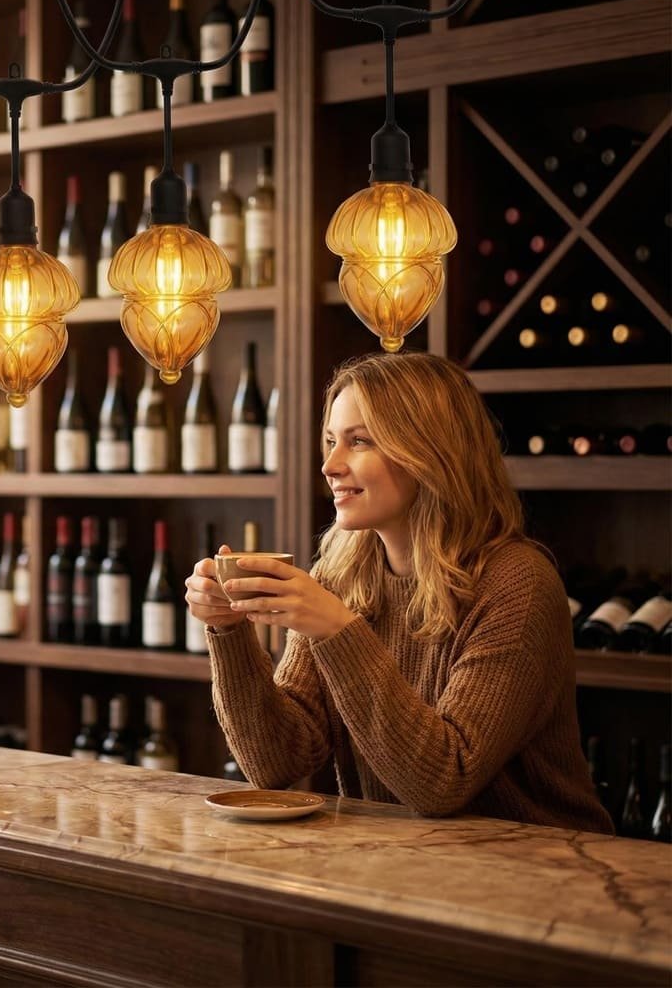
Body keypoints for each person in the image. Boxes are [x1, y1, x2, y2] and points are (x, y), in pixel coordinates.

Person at [185, 351, 613, 833]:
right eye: (330, 442)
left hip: (546, 870)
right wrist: (228, 632)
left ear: (430, 453)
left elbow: (444, 781)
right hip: (407, 860)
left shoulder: (518, 584)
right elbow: (276, 762)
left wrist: (337, 630)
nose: (329, 465)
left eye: (359, 441)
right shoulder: (342, 573)